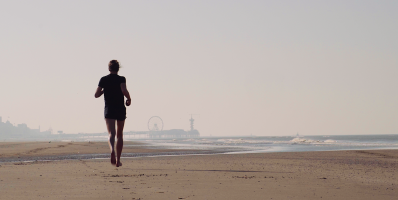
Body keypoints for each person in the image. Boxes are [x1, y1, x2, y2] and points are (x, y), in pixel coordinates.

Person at [95, 60, 131, 167]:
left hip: (109, 108)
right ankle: (118, 160)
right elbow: (124, 90)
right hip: (120, 108)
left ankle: (112, 150)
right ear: (118, 68)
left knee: (111, 133)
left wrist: (104, 90)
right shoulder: (121, 79)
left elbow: (96, 94)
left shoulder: (104, 79)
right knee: (120, 135)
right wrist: (129, 98)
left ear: (109, 68)